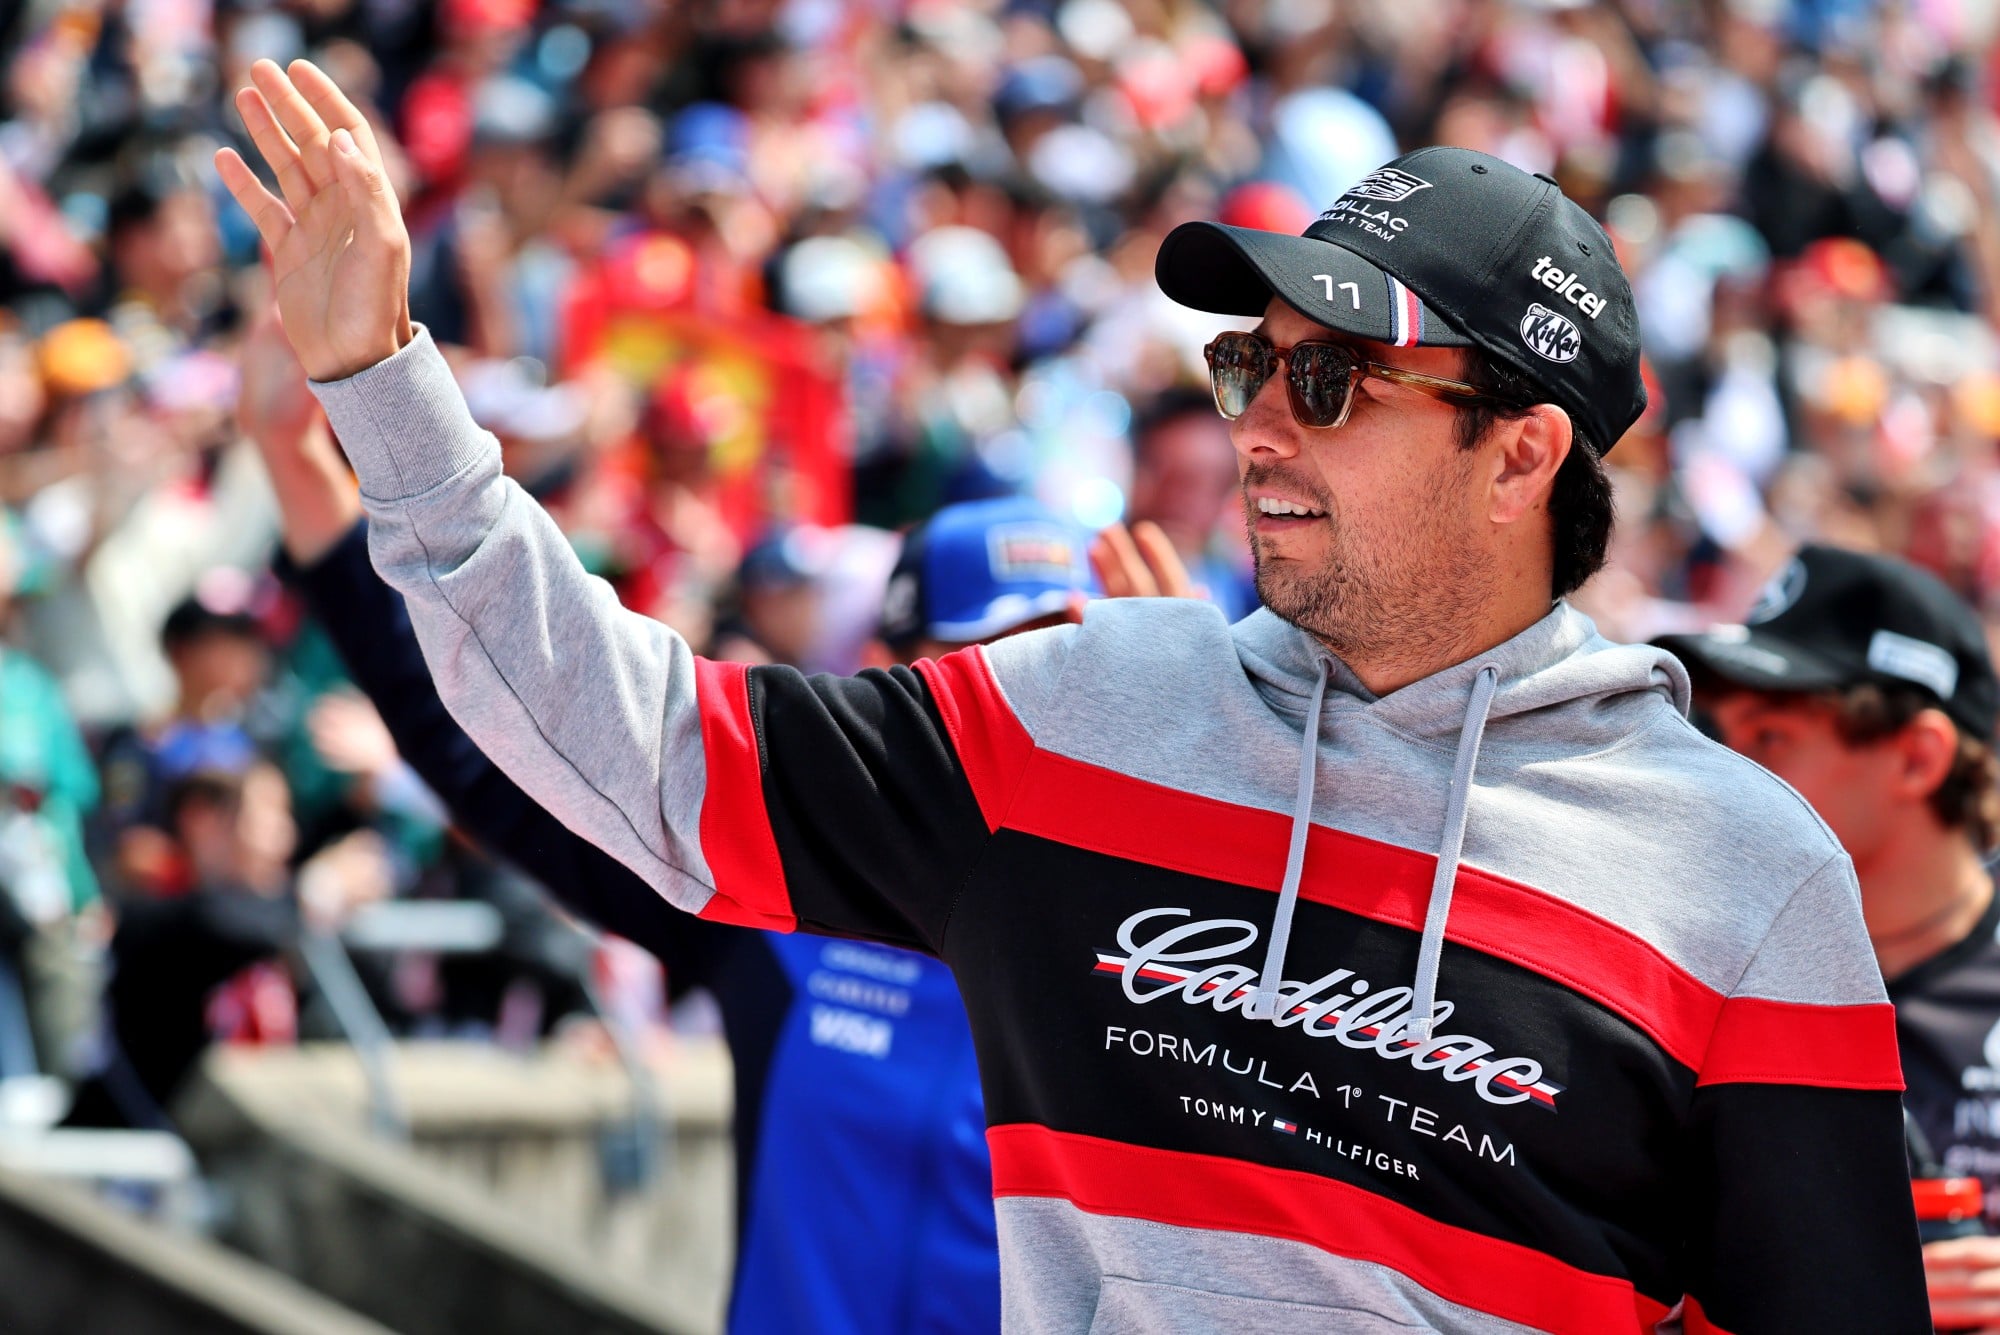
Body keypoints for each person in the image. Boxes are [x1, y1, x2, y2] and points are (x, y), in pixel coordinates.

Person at [218, 61, 1926, 1332]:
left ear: (1522, 454)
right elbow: (629, 740)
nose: (1256, 424)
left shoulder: (1750, 884)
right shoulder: (1075, 712)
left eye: (1329, 379)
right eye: (1249, 361)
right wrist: (386, 388)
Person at [238, 299, 1112, 1332]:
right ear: (896, 683)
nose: (1047, 706)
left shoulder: (1170, 949)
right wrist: (295, 452)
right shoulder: (787, 897)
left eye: (1079, 664)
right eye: (1008, 660)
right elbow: (492, 748)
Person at [1657, 545, 2000, 1334]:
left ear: (1918, 757)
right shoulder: (1676, 969)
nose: (1720, 770)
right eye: (1718, 731)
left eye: (1770, 737)